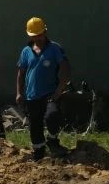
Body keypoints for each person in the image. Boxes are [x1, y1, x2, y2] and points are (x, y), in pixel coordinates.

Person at [15, 17, 70, 160]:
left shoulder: (55, 48)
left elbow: (65, 69)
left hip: (50, 93)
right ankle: (39, 151)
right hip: (32, 95)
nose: (37, 38)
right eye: (34, 36)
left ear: (45, 32)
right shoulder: (26, 51)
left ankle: (52, 140)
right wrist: (19, 93)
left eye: (40, 35)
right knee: (35, 125)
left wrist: (59, 90)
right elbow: (21, 73)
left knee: (52, 116)